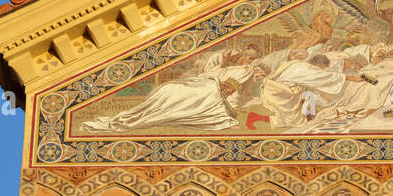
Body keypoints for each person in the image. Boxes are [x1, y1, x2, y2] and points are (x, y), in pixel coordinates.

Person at [81, 45, 268, 133]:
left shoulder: (246, 70)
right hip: (202, 83)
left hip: (211, 92)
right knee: (168, 88)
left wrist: (230, 103)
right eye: (245, 55)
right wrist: (223, 64)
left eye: (250, 58)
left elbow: (231, 89)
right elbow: (208, 70)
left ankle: (146, 114)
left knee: (177, 94)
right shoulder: (229, 61)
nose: (246, 59)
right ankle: (142, 112)